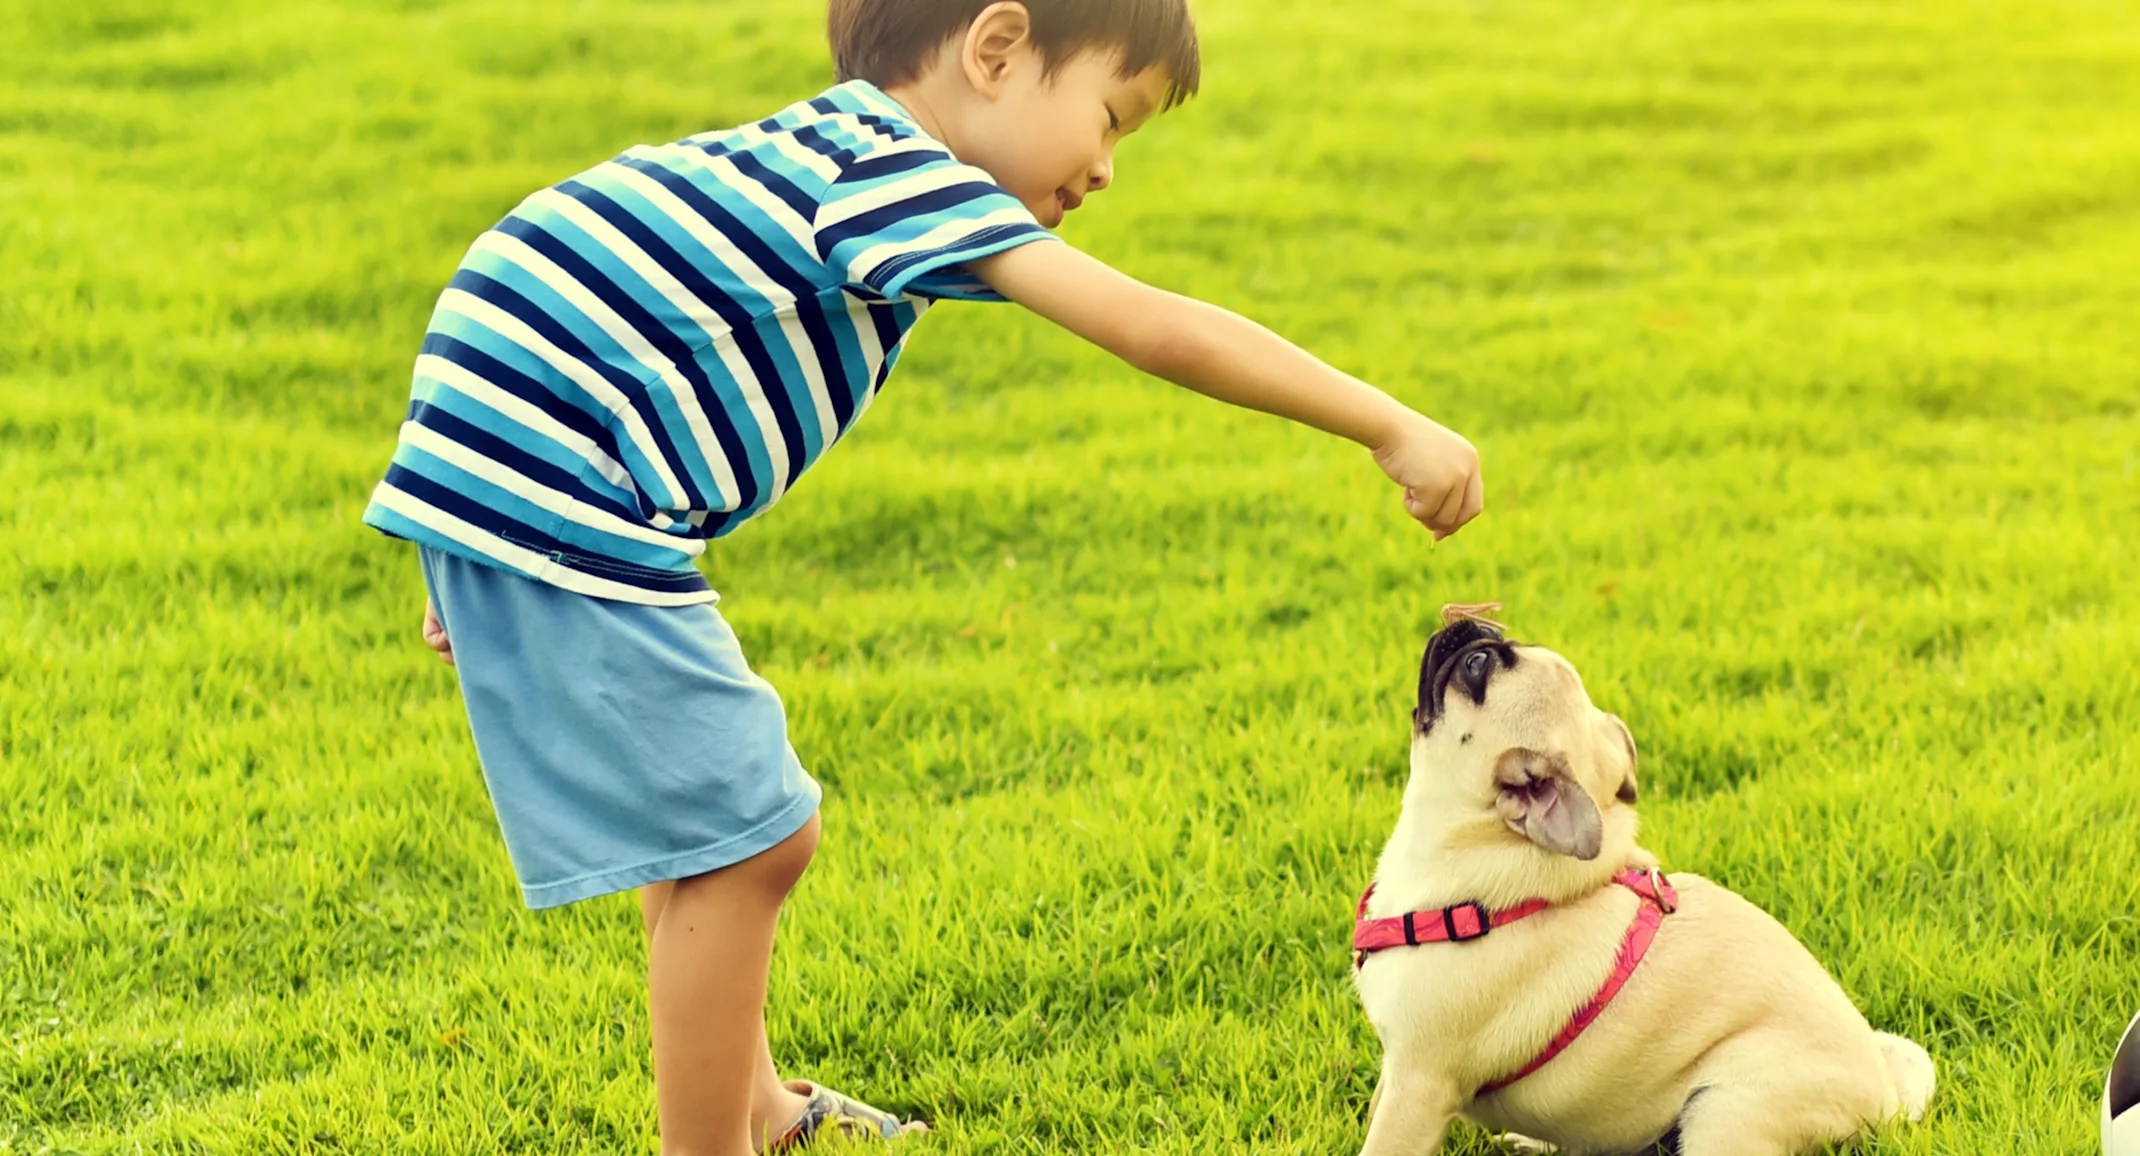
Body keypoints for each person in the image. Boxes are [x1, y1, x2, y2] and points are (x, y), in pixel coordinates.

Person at [361, 1, 1484, 1152]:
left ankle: (759, 1106)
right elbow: (1149, 326)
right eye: (1108, 116)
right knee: (754, 839)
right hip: (562, 497)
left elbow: (550, 293)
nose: (1103, 167)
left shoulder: (835, 153)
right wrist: (1385, 423)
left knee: (706, 820)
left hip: (536, 480)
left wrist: (468, 530)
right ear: (994, 50)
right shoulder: (894, 173)